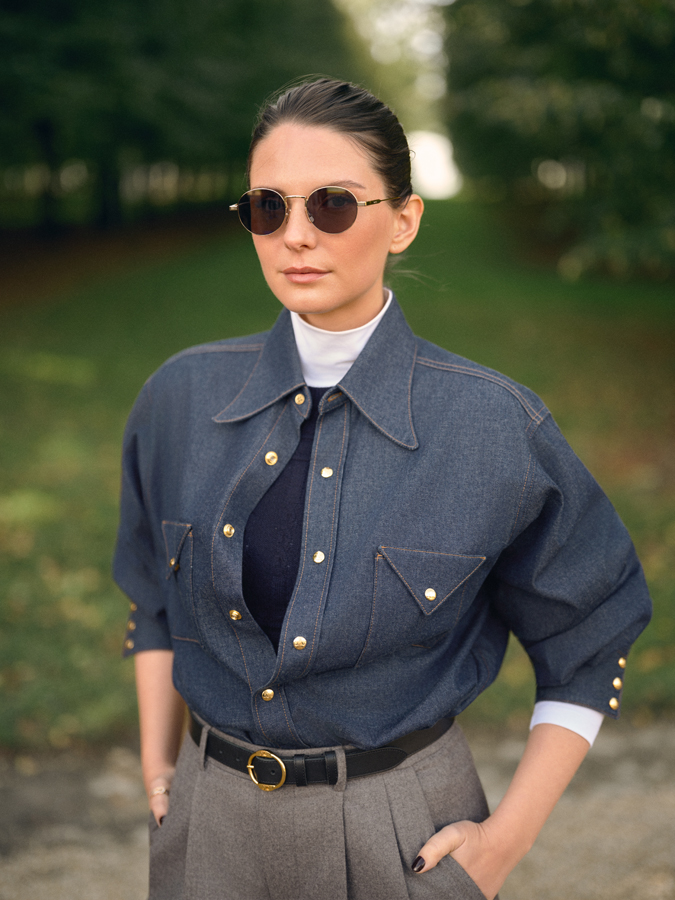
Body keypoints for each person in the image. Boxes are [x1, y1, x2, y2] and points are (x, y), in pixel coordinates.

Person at [113, 78, 651, 900]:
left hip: (399, 835)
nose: (295, 236)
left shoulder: (495, 426)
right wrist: (159, 763)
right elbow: (150, 591)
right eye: (267, 207)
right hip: (206, 827)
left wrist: (504, 844)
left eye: (331, 205)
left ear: (403, 220)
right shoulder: (177, 398)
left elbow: (589, 641)